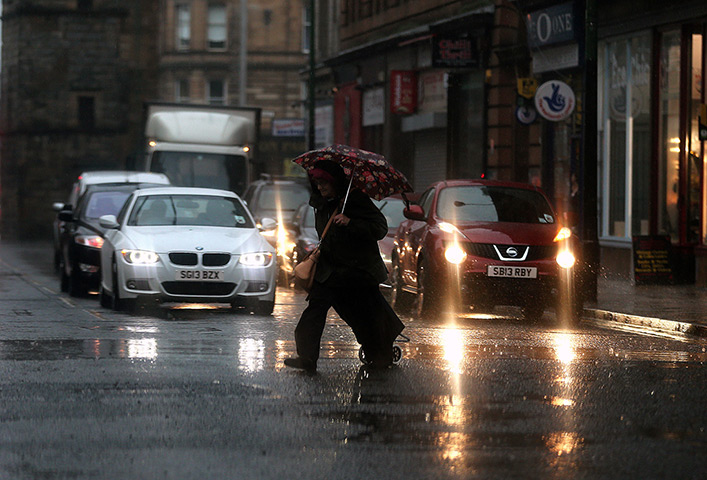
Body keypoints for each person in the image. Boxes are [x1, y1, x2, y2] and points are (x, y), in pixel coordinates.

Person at [284, 160, 405, 372]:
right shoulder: (319, 203)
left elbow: (379, 228)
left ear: (335, 182)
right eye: (317, 183)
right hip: (330, 270)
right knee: (315, 309)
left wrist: (350, 222)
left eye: (324, 183)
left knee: (367, 314)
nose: (320, 187)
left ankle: (381, 353)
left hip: (358, 270)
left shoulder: (356, 200)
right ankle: (307, 358)